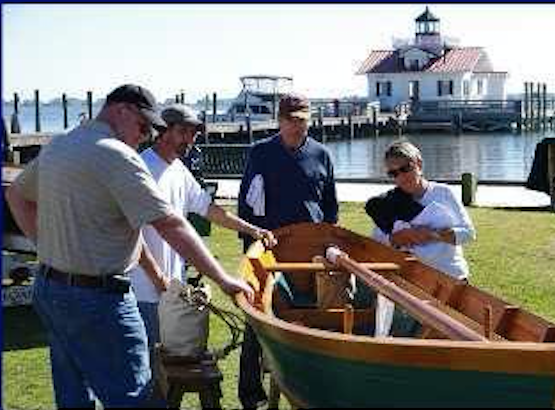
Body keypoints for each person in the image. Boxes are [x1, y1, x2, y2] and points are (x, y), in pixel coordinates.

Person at [5, 84, 254, 409]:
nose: (146, 136)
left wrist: (46, 248)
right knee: (137, 398)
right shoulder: (118, 156)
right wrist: (224, 279)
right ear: (121, 110)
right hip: (100, 298)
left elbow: (16, 196)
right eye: (142, 127)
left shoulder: (61, 145)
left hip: (51, 291)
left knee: (73, 396)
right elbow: (171, 225)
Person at [129, 103, 276, 356]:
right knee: (149, 370)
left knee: (168, 368)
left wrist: (252, 229)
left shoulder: (178, 169)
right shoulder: (141, 170)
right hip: (144, 292)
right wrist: (158, 279)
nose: (191, 139)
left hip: (170, 291)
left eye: (194, 133)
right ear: (163, 132)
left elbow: (209, 209)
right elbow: (132, 236)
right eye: (184, 131)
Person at [237, 92, 339, 409]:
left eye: (302, 120)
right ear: (279, 121)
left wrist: (328, 240)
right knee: (257, 320)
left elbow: (330, 208)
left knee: (316, 315)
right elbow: (247, 205)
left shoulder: (321, 154)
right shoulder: (260, 154)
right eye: (291, 120)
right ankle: (251, 394)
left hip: (311, 253)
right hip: (271, 249)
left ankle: (315, 386)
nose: (297, 127)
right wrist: (252, 248)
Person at [365, 140, 476, 336]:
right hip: (413, 283)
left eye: (405, 168)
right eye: (393, 173)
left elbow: (468, 233)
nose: (401, 177)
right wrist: (396, 239)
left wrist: (433, 235)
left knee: (455, 339)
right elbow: (377, 243)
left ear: (419, 164)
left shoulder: (443, 193)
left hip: (451, 279)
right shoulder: (387, 203)